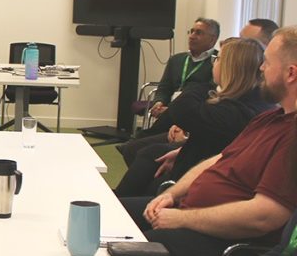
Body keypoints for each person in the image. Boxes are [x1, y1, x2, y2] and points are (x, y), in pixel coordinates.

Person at [119, 27, 297, 256]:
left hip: (217, 242)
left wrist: (183, 218)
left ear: (290, 73)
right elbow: (221, 158)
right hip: (188, 215)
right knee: (109, 212)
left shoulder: (291, 136)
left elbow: (263, 216)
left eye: (267, 63)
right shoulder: (271, 118)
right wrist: (172, 194)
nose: (261, 69)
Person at [114, 38, 272, 196]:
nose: (213, 63)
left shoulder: (238, 111)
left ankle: (119, 204)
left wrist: (214, 81)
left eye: (218, 59)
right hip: (200, 166)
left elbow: (182, 108)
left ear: (229, 68)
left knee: (149, 166)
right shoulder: (250, 100)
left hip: (205, 187)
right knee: (151, 157)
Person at [118, 17, 221, 165]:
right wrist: (159, 101)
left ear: (212, 39)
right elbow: (164, 87)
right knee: (138, 148)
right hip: (169, 110)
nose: (192, 36)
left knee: (139, 146)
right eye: (191, 31)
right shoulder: (177, 60)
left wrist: (170, 109)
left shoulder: (217, 62)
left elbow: (210, 95)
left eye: (199, 33)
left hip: (190, 114)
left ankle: (135, 143)